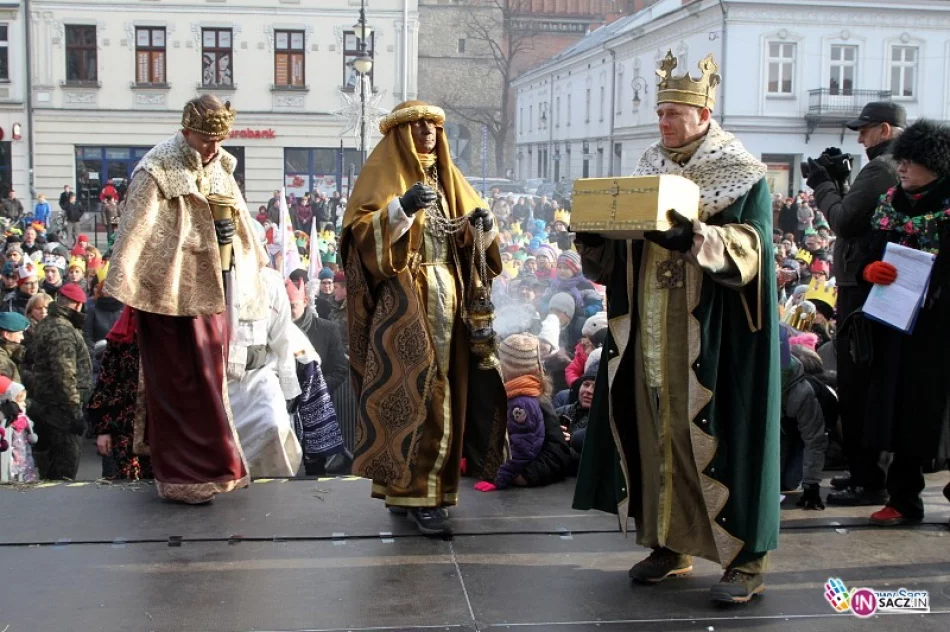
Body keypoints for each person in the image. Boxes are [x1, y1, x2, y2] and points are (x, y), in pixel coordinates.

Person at [573, 51, 779, 604]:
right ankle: (670, 542)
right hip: (649, 329)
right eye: (659, 113)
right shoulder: (646, 170)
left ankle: (746, 560)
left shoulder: (743, 173)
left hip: (715, 337)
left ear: (704, 113)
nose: (662, 123)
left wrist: (693, 241)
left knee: (720, 437)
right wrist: (596, 242)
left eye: (673, 114)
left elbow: (754, 250)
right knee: (657, 434)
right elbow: (618, 260)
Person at [341, 100, 507, 536]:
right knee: (416, 394)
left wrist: (483, 227)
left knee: (449, 393)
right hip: (405, 300)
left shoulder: (449, 178)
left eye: (434, 125)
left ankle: (427, 491)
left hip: (451, 298)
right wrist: (402, 208)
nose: (429, 132)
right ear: (400, 133)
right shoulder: (384, 177)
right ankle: (416, 494)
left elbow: (477, 242)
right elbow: (361, 240)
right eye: (418, 125)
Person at [103, 95, 267, 503]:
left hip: (213, 291)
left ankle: (213, 469)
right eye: (207, 139)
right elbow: (137, 232)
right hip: (167, 295)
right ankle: (180, 477)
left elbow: (239, 224)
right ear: (187, 129)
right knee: (176, 386)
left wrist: (234, 244)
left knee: (209, 385)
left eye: (219, 139)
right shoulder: (156, 169)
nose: (214, 148)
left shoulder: (222, 166)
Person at [806, 101, 904, 508]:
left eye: (864, 130)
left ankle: (870, 478)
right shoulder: (886, 167)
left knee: (861, 381)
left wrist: (824, 186)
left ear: (884, 130)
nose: (859, 137)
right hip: (864, 281)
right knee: (861, 380)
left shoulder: (882, 168)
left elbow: (845, 221)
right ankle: (866, 473)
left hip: (864, 287)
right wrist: (841, 186)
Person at [856, 119, 950, 526]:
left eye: (912, 162)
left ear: (935, 164)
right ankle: (903, 498)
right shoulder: (891, 203)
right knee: (900, 410)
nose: (903, 169)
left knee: (943, 413)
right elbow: (866, 252)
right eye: (902, 161)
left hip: (942, 327)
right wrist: (869, 270)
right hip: (897, 324)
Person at [228, 268, 303, 478]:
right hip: (215, 379)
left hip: (257, 377)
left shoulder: (269, 280)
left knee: (274, 426)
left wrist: (289, 388)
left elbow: (282, 339)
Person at [29, 283, 92, 480]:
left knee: (52, 461)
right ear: (78, 305)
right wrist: (74, 409)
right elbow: (64, 374)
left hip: (48, 403)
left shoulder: (47, 323)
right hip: (61, 408)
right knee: (65, 464)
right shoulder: (62, 330)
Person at [474, 334, 548, 493]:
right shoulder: (514, 395)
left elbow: (524, 448)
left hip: (513, 474)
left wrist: (499, 477)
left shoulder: (521, 404)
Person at [87, 308, 153, 481]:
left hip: (161, 430)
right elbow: (106, 384)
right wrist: (103, 430)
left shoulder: (168, 340)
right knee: (127, 488)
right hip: (124, 428)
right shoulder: (120, 340)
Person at [0, 375, 40, 483]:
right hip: (14, 439)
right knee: (15, 457)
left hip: (21, 439)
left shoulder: (19, 408)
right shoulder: (10, 408)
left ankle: (26, 476)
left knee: (25, 456)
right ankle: (13, 475)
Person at [0, 311, 30, 383]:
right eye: (20, 333)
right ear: (6, 335)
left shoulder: (7, 353)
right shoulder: (3, 362)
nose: (22, 337)